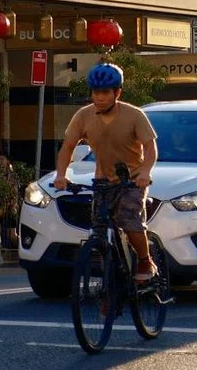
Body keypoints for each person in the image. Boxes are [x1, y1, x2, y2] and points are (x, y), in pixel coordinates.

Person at [55, 62, 160, 283]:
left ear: (117, 93)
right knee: (99, 233)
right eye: (95, 92)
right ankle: (109, 288)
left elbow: (150, 148)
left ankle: (144, 259)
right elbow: (67, 148)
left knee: (129, 221)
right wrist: (61, 175)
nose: (99, 97)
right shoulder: (84, 116)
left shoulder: (134, 115)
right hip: (103, 181)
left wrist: (144, 172)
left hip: (131, 180)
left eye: (105, 93)